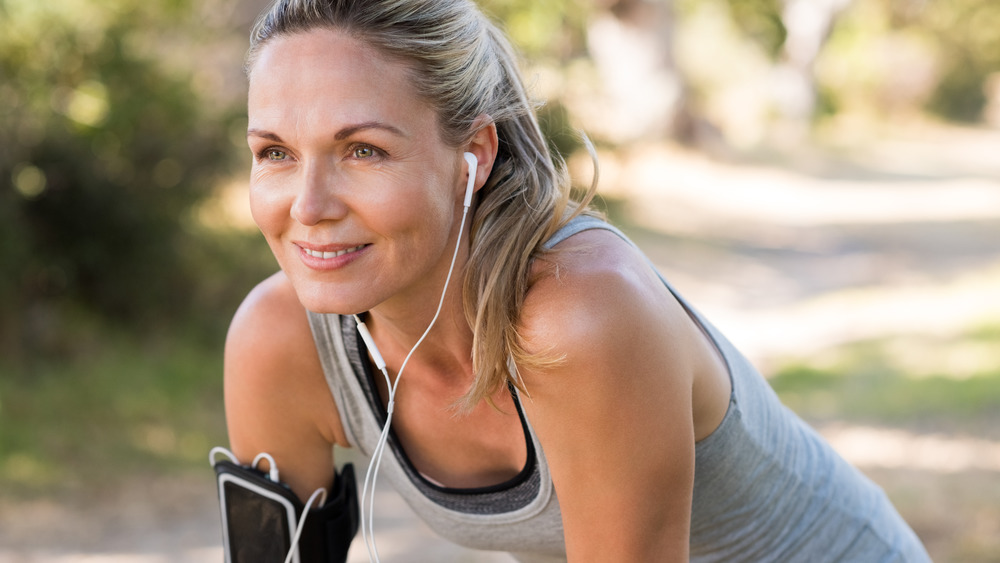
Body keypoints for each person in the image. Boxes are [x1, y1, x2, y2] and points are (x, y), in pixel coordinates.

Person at [222, 0, 932, 561]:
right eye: (276, 152)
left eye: (364, 150)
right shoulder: (279, 341)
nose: (308, 206)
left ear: (472, 153)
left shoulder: (579, 315)